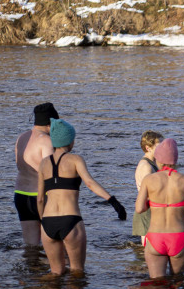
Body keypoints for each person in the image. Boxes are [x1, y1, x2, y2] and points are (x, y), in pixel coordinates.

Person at [36, 118, 127, 275]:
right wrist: (113, 201)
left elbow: (40, 199)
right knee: (77, 272)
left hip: (48, 222)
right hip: (70, 220)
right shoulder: (75, 159)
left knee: (55, 272)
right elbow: (90, 184)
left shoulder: (44, 163)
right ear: (69, 140)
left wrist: (43, 222)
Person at [135, 138, 184, 278]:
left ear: (158, 158)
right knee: (179, 281)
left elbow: (139, 209)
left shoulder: (149, 180)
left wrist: (155, 202)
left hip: (156, 235)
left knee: (156, 284)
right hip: (178, 236)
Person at [14, 102, 58, 246]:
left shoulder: (21, 138)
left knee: (31, 245)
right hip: (41, 196)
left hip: (21, 194)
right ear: (50, 123)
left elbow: (18, 164)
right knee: (54, 243)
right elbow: (51, 172)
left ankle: (31, 268)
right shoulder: (46, 141)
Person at [133, 130, 163, 245]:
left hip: (151, 209)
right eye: (159, 146)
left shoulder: (153, 163)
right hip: (146, 210)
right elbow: (149, 192)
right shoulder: (146, 166)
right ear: (148, 148)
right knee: (148, 248)